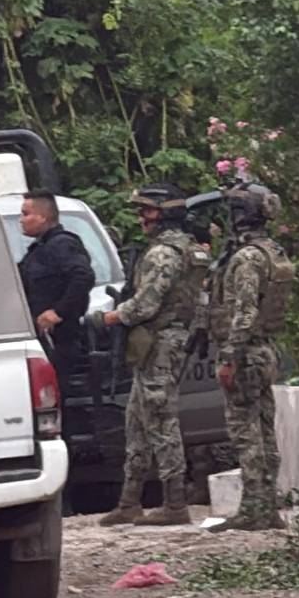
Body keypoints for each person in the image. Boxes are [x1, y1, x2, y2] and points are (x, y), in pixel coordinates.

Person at [89, 183, 210, 527]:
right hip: (163, 342)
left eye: (148, 211)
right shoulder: (189, 249)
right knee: (137, 419)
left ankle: (174, 503)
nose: (141, 218)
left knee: (159, 420)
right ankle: (130, 501)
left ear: (165, 213)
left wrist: (109, 318)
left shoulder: (162, 253)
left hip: (159, 342)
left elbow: (145, 304)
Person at [207, 183, 295, 531]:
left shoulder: (247, 258)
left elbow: (244, 313)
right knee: (264, 430)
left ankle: (254, 510)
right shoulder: (273, 251)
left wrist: (229, 357)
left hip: (246, 353)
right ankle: (266, 507)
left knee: (246, 432)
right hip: (265, 350)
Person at [17, 190, 94, 347]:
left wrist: (58, 312)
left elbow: (83, 276)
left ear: (42, 217)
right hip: (44, 335)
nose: (21, 220)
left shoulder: (62, 244)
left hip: (63, 338)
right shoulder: (38, 249)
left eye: (26, 214)